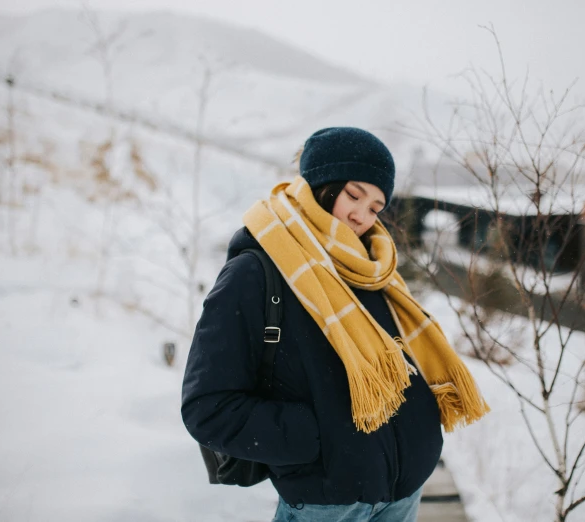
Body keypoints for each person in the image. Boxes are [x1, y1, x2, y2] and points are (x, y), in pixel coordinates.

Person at [181, 127, 489, 522]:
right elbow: (208, 407)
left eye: (377, 207)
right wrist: (318, 438)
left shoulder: (373, 268)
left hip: (405, 494)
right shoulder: (255, 274)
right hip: (327, 504)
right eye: (354, 195)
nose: (362, 216)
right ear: (321, 186)